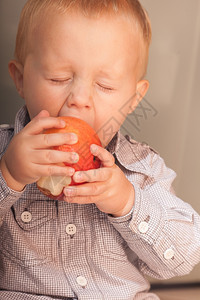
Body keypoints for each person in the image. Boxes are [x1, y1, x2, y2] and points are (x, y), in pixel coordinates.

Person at [0, 0, 199, 299]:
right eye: (59, 78)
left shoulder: (143, 168)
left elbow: (184, 257)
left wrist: (127, 203)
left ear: (133, 98)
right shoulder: (6, 153)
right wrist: (9, 176)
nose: (79, 99)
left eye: (105, 85)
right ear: (20, 78)